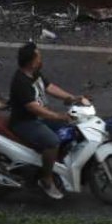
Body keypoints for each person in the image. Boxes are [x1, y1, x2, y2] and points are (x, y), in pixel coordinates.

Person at [8, 42, 88, 200]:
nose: (41, 59)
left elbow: (50, 87)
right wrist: (59, 116)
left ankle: (57, 164)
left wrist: (71, 98)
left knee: (70, 127)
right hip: (25, 122)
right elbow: (34, 109)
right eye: (38, 57)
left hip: (37, 118)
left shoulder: (35, 74)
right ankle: (46, 179)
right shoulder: (21, 82)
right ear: (31, 62)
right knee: (53, 142)